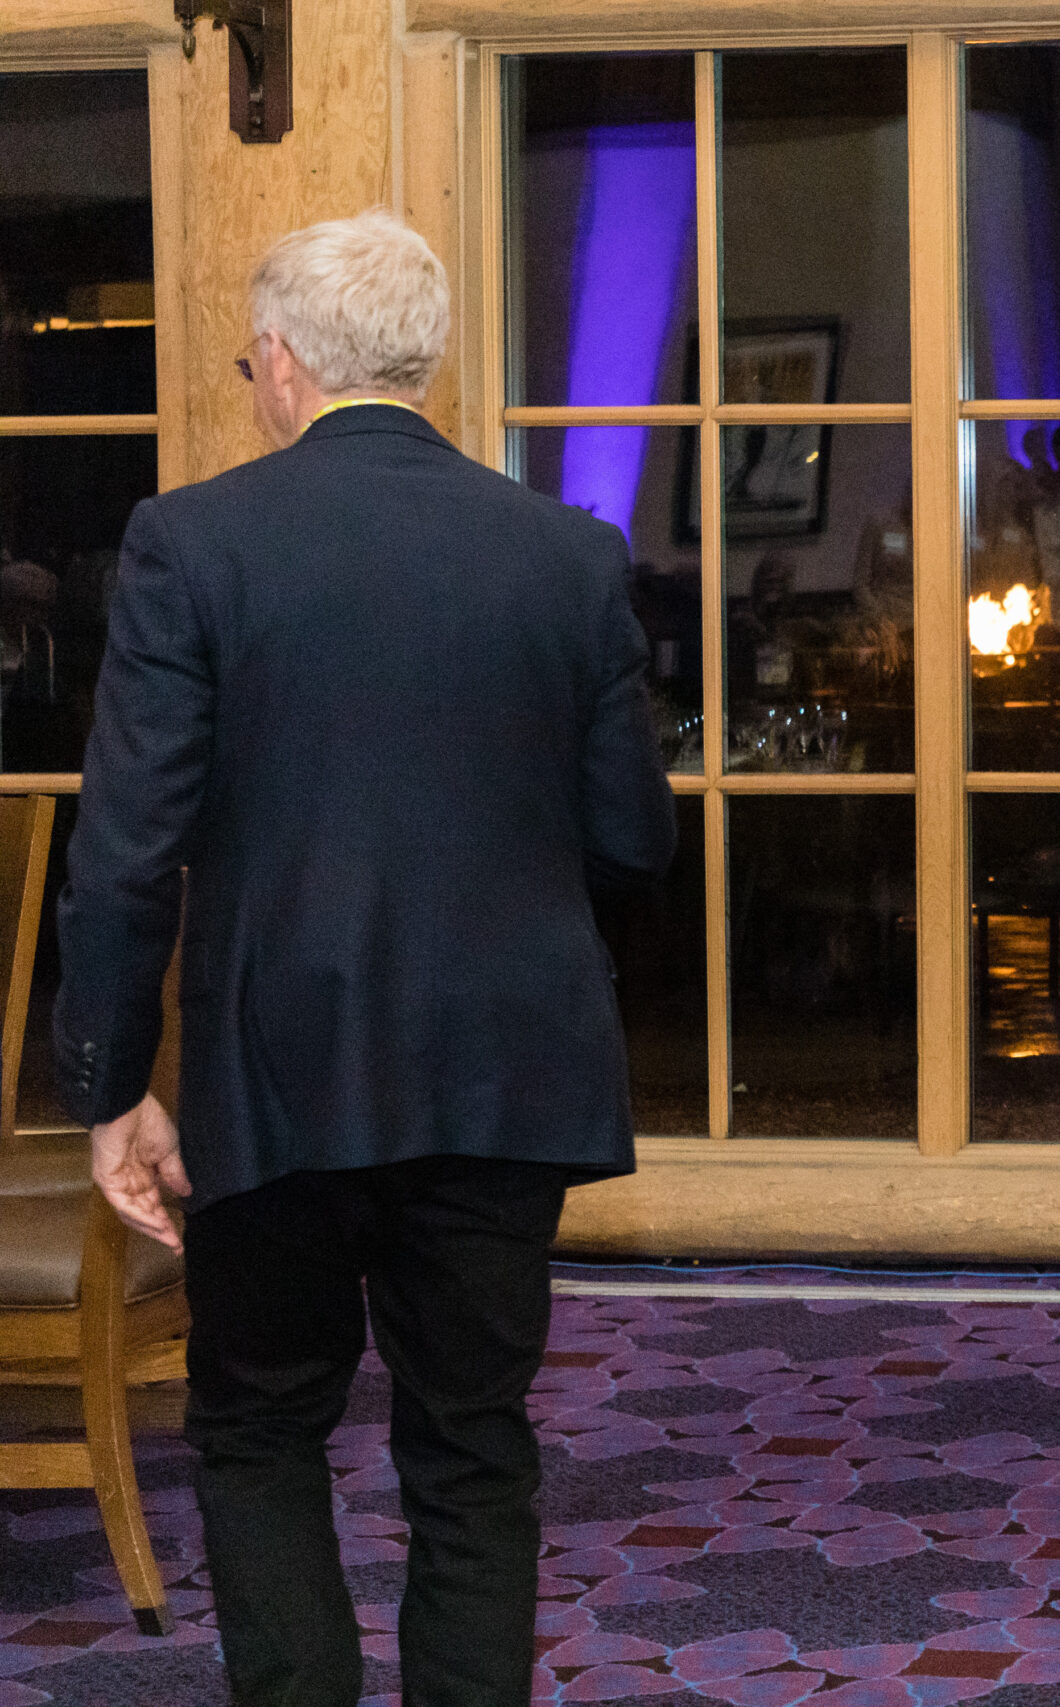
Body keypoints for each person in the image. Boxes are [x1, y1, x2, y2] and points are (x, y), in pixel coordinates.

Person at [54, 208, 676, 1707]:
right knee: (472, 1441)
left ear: (279, 362)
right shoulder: (570, 553)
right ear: (426, 364)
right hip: (506, 1066)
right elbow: (635, 839)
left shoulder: (192, 542)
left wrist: (110, 1085)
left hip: (279, 1067)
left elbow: (126, 851)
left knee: (261, 1426)